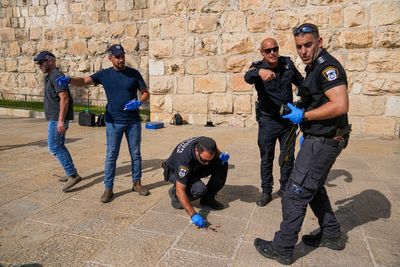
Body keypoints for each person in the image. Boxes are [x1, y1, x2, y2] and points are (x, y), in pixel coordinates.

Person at [254, 23, 351, 265]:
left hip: (324, 140)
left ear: (320, 41)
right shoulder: (313, 67)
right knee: (314, 187)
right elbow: (318, 99)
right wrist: (302, 108)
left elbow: (340, 105)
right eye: (299, 46)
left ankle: (283, 247)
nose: (304, 50)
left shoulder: (327, 67)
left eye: (308, 44)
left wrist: (304, 117)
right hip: (319, 137)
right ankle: (331, 234)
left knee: (294, 193)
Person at [56, 44, 150, 203]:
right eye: (117, 57)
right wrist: (69, 80)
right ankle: (108, 188)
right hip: (114, 122)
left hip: (133, 121)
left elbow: (146, 93)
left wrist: (139, 102)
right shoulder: (104, 75)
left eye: (122, 56)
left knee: (135, 154)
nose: (121, 59)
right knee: (111, 156)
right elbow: (84, 81)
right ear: (110, 58)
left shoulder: (133, 73)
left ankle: (137, 183)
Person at [244, 38, 303, 206]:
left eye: (275, 49)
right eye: (268, 50)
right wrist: (260, 73)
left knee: (287, 158)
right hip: (268, 121)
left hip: (287, 122)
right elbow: (247, 77)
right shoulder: (257, 66)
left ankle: (285, 189)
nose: (272, 53)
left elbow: (301, 83)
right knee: (267, 158)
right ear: (262, 53)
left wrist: (305, 104)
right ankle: (267, 191)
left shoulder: (287, 64)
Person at [34, 51, 82, 192]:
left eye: (41, 62)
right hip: (56, 118)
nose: (39, 65)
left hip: (57, 119)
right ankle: (71, 172)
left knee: (54, 147)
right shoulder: (50, 76)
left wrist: (61, 121)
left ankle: (73, 175)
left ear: (50, 61)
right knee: (59, 145)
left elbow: (64, 98)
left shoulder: (56, 76)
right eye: (38, 63)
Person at [162, 136, 230, 228]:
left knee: (222, 163)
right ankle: (174, 195)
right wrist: (193, 214)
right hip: (174, 171)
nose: (207, 163)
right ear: (196, 151)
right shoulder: (184, 160)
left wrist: (221, 155)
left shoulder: (206, 143)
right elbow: (180, 190)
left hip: (195, 166)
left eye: (209, 159)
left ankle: (207, 198)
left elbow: (214, 151)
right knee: (199, 189)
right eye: (204, 160)